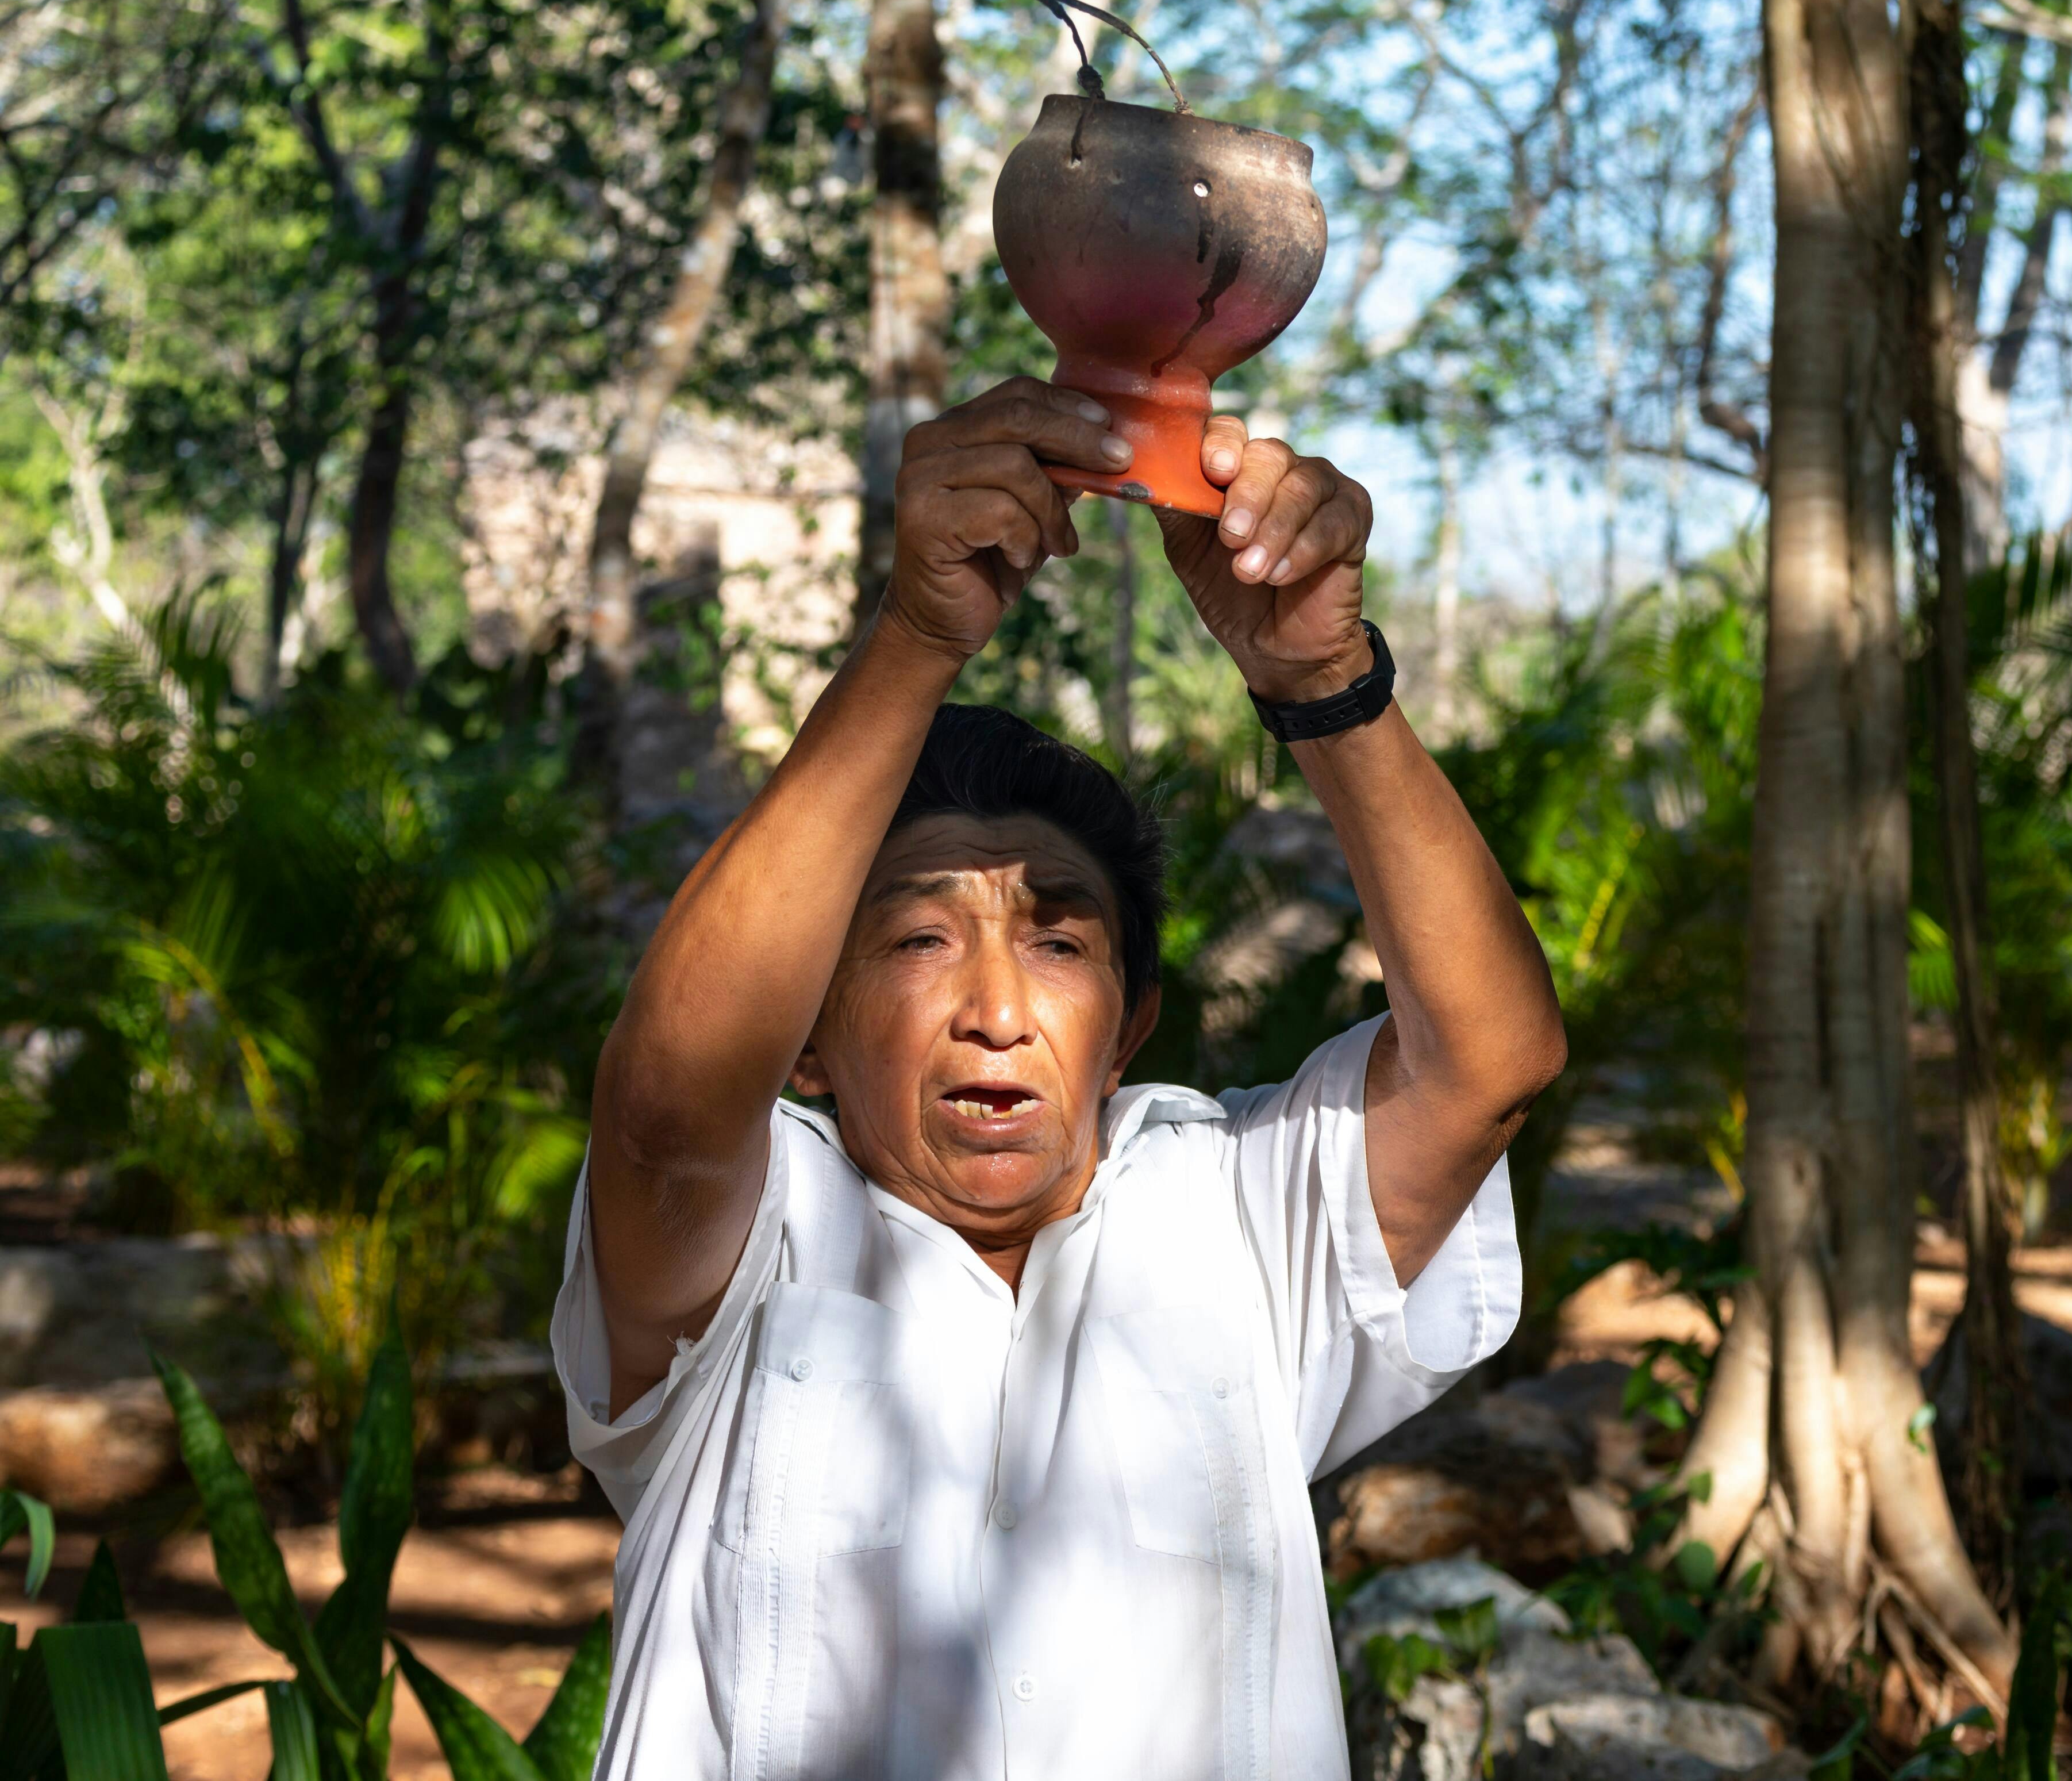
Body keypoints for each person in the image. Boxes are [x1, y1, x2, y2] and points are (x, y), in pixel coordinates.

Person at [553, 379, 1565, 1781]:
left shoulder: (1232, 1218)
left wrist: (1321, 680)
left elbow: (1491, 1064)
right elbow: (667, 1104)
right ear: (806, 1035)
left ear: (1132, 1021)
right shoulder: (755, 1241)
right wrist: (918, 635)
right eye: (917, 937)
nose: (996, 1010)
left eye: (1058, 938)